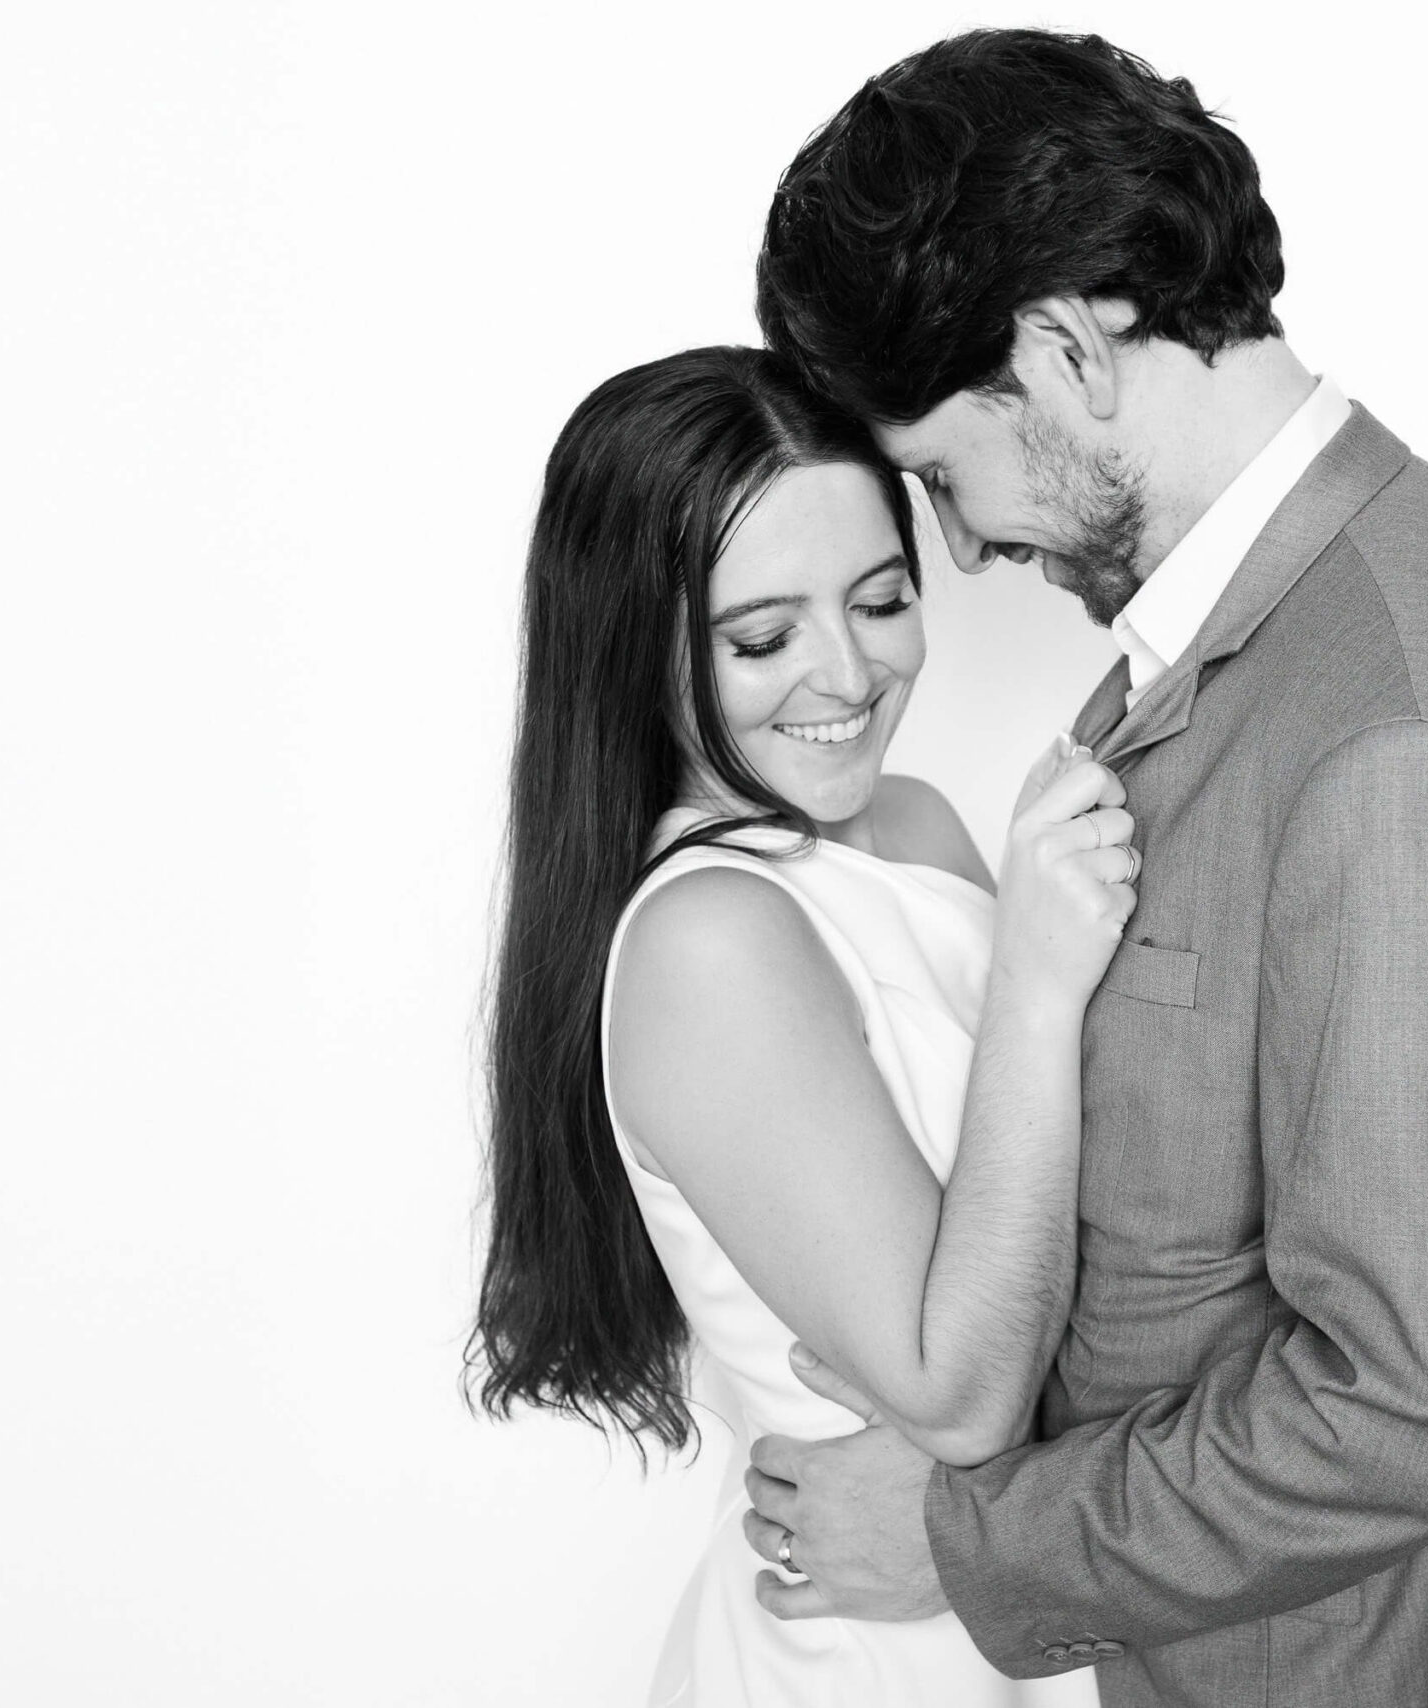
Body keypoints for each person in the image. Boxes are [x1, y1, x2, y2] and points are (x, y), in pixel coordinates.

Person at [742, 31, 1428, 1707]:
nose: (968, 547)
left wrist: (966, 1541)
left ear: (1065, 350)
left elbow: (1423, 1393)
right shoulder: (1233, 639)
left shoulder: (1405, 729)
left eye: (941, 475)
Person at [470, 345, 1124, 1705]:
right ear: (631, 646)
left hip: (1007, 1613)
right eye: (762, 637)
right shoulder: (711, 939)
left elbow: (1063, 1243)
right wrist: (1041, 992)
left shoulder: (919, 824)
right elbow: (959, 1388)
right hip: (865, 1658)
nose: (847, 673)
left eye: (881, 601)